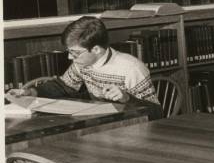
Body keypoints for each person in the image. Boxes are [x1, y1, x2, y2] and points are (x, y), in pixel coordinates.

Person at [10, 16, 159, 105]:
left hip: (131, 129)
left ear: (96, 49)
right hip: (103, 125)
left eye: (75, 53)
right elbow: (63, 86)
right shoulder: (82, 64)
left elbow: (156, 112)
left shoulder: (131, 68)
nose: (70, 58)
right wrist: (31, 92)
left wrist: (127, 98)